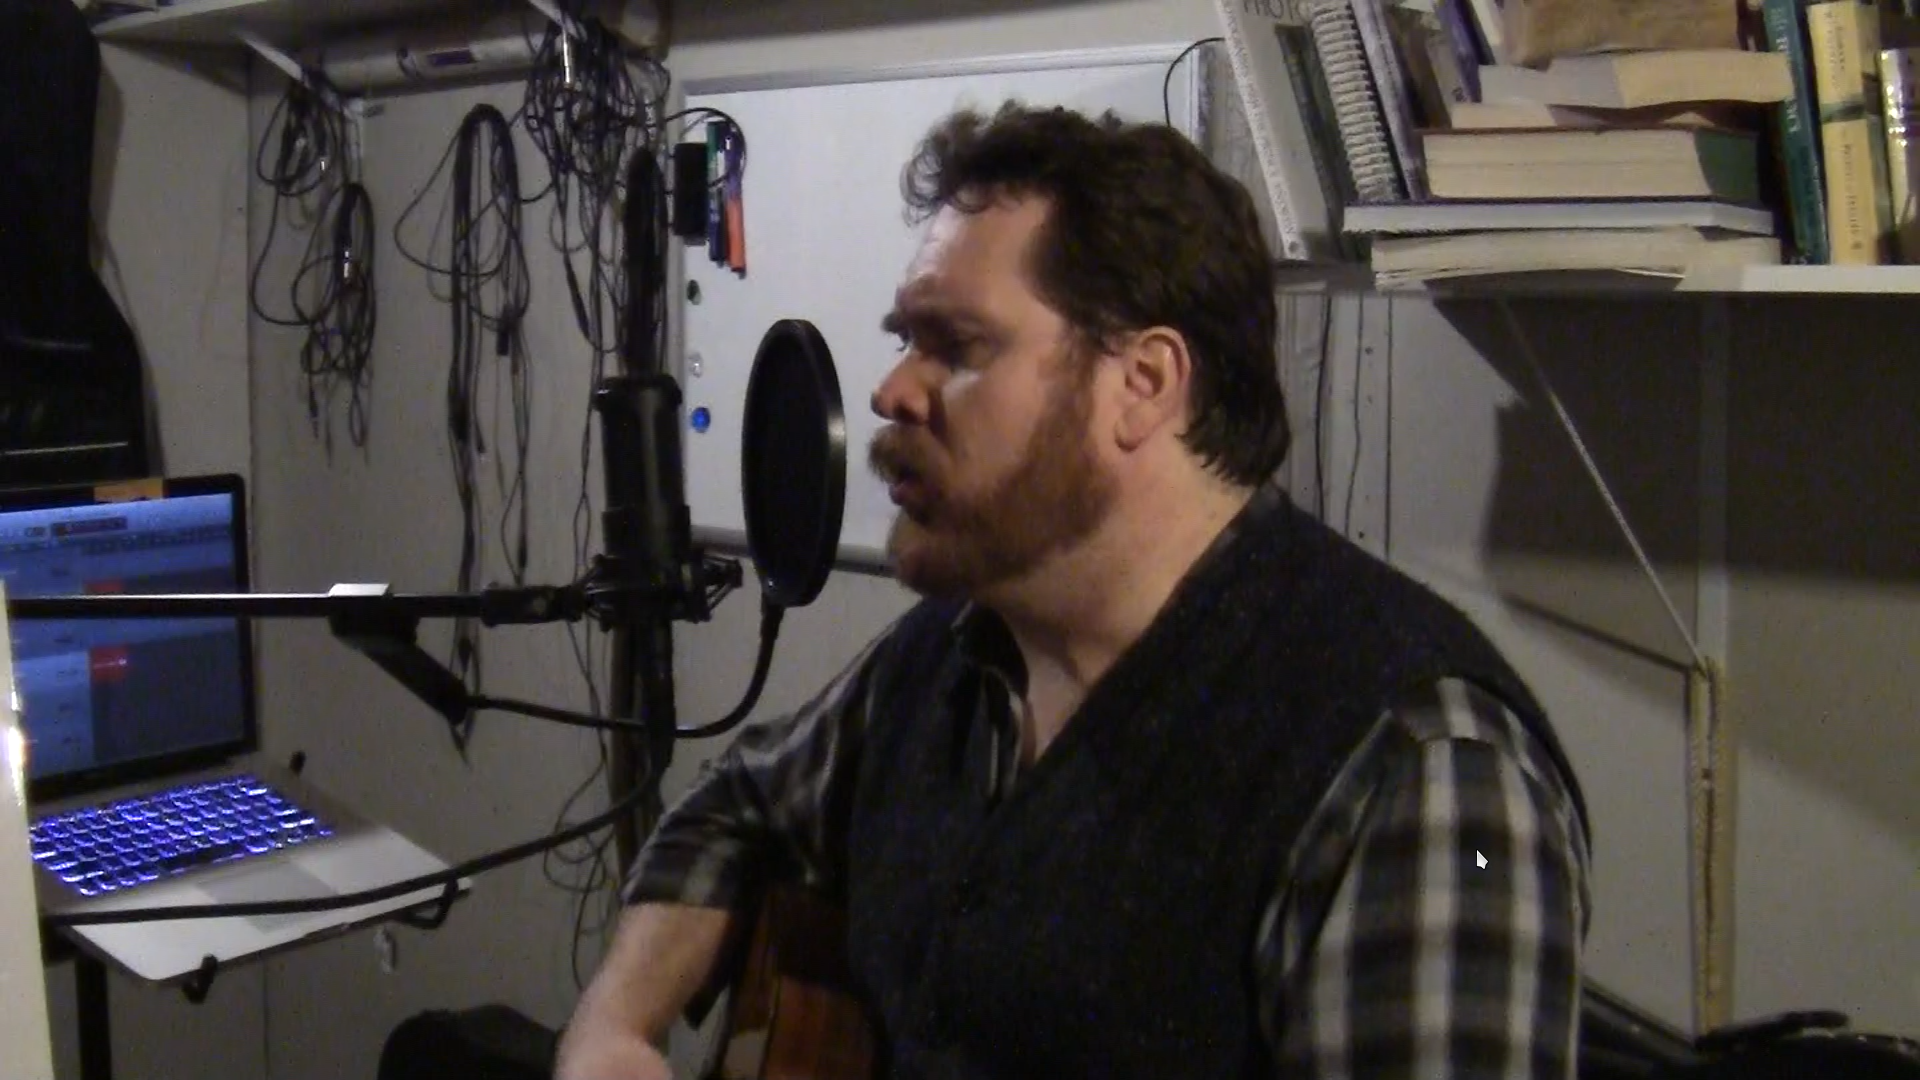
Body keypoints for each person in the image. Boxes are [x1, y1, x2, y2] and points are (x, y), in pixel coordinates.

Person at [556, 102, 1593, 1080]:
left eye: (955, 346)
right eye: (904, 340)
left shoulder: (1421, 770)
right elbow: (735, 808)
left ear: (1143, 384)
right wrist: (614, 1025)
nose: (891, 389)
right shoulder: (949, 655)